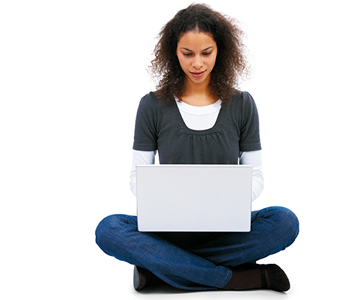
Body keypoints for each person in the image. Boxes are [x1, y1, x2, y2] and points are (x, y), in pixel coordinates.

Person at [95, 3, 299, 292]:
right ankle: (235, 278)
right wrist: (171, 200)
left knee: (285, 221)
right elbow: (136, 178)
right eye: (187, 54)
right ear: (173, 52)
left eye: (207, 53)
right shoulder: (152, 106)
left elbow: (255, 176)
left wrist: (224, 200)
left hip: (226, 232)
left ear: (221, 50)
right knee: (109, 230)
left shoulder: (242, 104)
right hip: (168, 232)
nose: (197, 64)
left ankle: (163, 270)